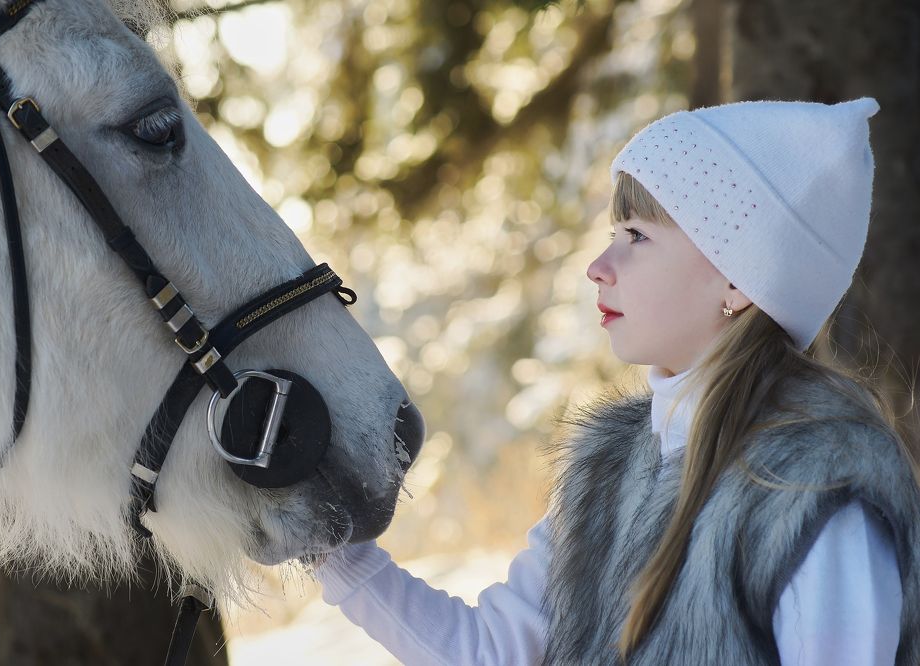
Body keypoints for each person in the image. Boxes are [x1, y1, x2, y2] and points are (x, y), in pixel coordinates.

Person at [312, 98, 920, 665]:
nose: (598, 268)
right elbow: (493, 649)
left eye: (637, 236)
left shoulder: (817, 489)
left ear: (739, 282)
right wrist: (327, 543)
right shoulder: (608, 466)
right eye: (613, 234)